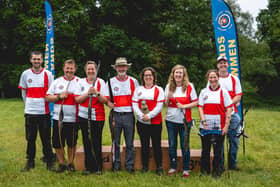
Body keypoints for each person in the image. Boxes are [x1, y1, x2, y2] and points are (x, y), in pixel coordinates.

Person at [18, 51, 55, 172]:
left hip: (44, 112)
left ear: (42, 60)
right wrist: (27, 104)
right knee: (30, 138)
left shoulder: (48, 74)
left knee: (46, 139)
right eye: (34, 59)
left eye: (39, 59)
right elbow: (23, 91)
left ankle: (49, 161)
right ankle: (30, 162)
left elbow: (51, 92)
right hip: (30, 112)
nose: (36, 61)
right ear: (31, 60)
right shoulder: (25, 74)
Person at [45, 59, 80, 173]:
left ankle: (70, 163)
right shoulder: (57, 82)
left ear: (75, 69)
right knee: (57, 142)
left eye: (71, 68)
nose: (69, 70)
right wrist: (59, 96)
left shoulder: (80, 81)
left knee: (72, 142)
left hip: (74, 118)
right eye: (67, 68)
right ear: (64, 68)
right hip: (58, 118)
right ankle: (61, 163)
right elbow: (47, 97)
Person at [106, 57, 139, 173]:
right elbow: (106, 99)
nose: (121, 68)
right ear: (115, 68)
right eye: (119, 66)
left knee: (129, 142)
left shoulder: (133, 81)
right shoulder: (110, 82)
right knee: (116, 141)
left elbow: (138, 98)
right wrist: (108, 103)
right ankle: (116, 164)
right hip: (115, 115)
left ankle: (129, 165)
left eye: (123, 66)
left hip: (129, 115)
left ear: (127, 67)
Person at [164, 64, 198, 178]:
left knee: (185, 145)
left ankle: (186, 169)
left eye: (180, 73)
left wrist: (184, 106)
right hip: (170, 121)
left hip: (185, 121)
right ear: (173, 74)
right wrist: (168, 98)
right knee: (172, 145)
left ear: (184, 75)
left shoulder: (189, 86)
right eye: (176, 73)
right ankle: (173, 167)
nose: (178, 75)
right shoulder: (169, 86)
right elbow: (165, 104)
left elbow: (196, 102)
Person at [198, 69, 233, 178]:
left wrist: (226, 126)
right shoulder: (204, 92)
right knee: (205, 150)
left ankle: (217, 172)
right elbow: (200, 108)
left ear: (218, 78)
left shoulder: (224, 92)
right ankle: (205, 171)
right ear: (208, 79)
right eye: (210, 77)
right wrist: (203, 121)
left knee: (218, 151)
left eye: (214, 77)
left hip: (220, 126)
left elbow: (229, 109)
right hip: (205, 126)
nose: (213, 79)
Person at [75, 61, 107, 175]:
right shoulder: (80, 82)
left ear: (95, 70)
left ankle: (98, 167)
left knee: (96, 141)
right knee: (86, 140)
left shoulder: (101, 82)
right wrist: (87, 93)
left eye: (92, 69)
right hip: (84, 116)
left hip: (98, 116)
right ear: (85, 70)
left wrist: (97, 93)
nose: (91, 71)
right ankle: (88, 167)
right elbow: (77, 99)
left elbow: (105, 101)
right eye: (88, 69)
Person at [132, 67, 164, 175]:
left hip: (155, 122)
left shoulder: (159, 89)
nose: (148, 77)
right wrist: (141, 115)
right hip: (142, 122)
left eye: (150, 75)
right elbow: (134, 104)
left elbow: (159, 106)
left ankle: (159, 167)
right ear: (143, 77)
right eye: (146, 75)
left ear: (154, 77)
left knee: (156, 145)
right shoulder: (138, 89)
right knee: (144, 145)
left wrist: (149, 115)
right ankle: (145, 166)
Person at [217, 56, 243, 171]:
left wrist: (228, 104)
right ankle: (220, 164)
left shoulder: (234, 79)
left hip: (233, 115)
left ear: (228, 64)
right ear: (217, 65)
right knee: (219, 141)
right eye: (220, 63)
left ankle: (232, 163)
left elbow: (239, 95)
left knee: (234, 140)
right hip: (218, 115)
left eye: (224, 63)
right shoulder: (213, 78)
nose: (223, 65)